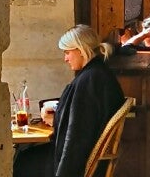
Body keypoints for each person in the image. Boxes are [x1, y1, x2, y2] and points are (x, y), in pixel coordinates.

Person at [14, 24, 125, 177]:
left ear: (81, 50)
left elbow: (76, 137)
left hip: (77, 164)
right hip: (89, 159)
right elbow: (83, 121)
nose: (65, 58)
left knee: (21, 159)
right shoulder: (97, 74)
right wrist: (58, 117)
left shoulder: (90, 80)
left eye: (67, 52)